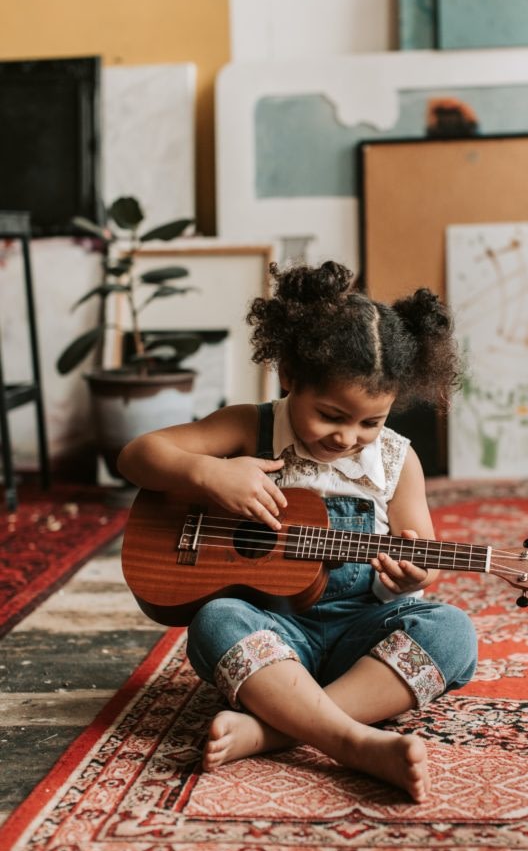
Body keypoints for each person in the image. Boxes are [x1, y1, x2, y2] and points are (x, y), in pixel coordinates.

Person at [118, 260, 477, 803]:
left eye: (369, 422)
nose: (347, 437)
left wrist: (409, 577)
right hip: (273, 634)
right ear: (289, 375)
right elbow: (137, 455)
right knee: (214, 622)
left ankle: (274, 729)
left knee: (452, 632)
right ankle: (354, 741)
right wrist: (209, 472)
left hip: (362, 634)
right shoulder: (250, 426)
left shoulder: (397, 461)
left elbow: (417, 551)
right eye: (331, 414)